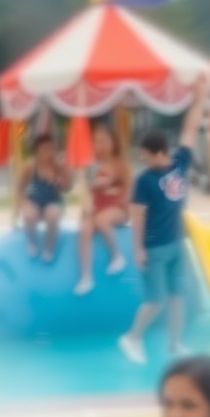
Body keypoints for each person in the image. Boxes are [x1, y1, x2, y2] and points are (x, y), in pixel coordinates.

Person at [117, 80, 209, 365]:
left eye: (145, 154)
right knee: (155, 301)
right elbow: (136, 215)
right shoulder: (143, 181)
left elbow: (190, 129)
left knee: (177, 296)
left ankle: (176, 343)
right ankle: (132, 338)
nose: (142, 159)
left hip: (176, 243)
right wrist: (139, 250)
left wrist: (199, 98)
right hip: (154, 247)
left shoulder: (179, 163)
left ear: (159, 152)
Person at [74, 124, 132, 295]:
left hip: (119, 209)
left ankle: (117, 256)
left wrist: (115, 193)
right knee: (85, 228)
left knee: (101, 220)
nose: (100, 145)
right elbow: (88, 192)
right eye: (97, 141)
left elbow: (129, 191)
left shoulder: (121, 165)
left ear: (113, 142)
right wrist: (87, 208)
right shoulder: (92, 166)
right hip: (98, 208)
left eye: (104, 141)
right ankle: (86, 277)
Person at [16, 133, 72, 262]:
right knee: (29, 215)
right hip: (34, 200)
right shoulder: (30, 167)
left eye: (51, 149)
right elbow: (19, 189)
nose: (49, 153)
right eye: (45, 149)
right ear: (37, 151)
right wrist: (23, 203)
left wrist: (60, 182)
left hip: (53, 201)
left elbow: (68, 188)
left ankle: (49, 248)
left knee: (52, 214)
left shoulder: (58, 166)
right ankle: (32, 243)